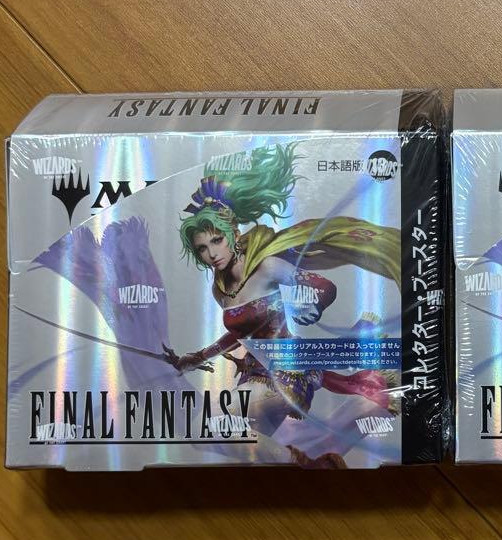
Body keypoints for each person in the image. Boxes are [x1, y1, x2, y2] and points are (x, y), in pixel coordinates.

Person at [169, 144, 400, 466]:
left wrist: (312, 306)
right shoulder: (220, 289)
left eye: (216, 240)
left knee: (203, 429)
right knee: (254, 454)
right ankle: (316, 468)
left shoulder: (267, 267)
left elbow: (324, 287)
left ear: (233, 233)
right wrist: (198, 357)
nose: (212, 253)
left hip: (285, 374)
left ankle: (306, 464)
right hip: (254, 375)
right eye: (202, 248)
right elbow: (240, 334)